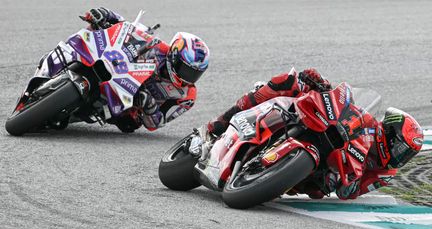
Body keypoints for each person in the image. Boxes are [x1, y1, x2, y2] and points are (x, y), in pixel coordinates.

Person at [189, 67, 424, 200]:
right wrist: (320, 83)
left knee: (318, 189)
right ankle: (215, 127)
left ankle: (262, 174)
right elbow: (342, 101)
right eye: (400, 148)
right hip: (315, 128)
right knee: (289, 83)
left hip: (317, 175)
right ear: (389, 133)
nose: (399, 156)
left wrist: (342, 182)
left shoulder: (385, 173)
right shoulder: (369, 122)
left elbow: (351, 191)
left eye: (406, 155)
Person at [35, 7, 210, 133]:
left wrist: (149, 106)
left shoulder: (187, 97)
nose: (188, 77)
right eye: (185, 69)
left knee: (129, 123)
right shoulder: (158, 48)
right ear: (174, 55)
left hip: (129, 107)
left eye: (195, 74)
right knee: (89, 37)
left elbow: (156, 123)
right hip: (117, 70)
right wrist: (106, 15)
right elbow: (126, 27)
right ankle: (51, 68)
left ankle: (72, 111)